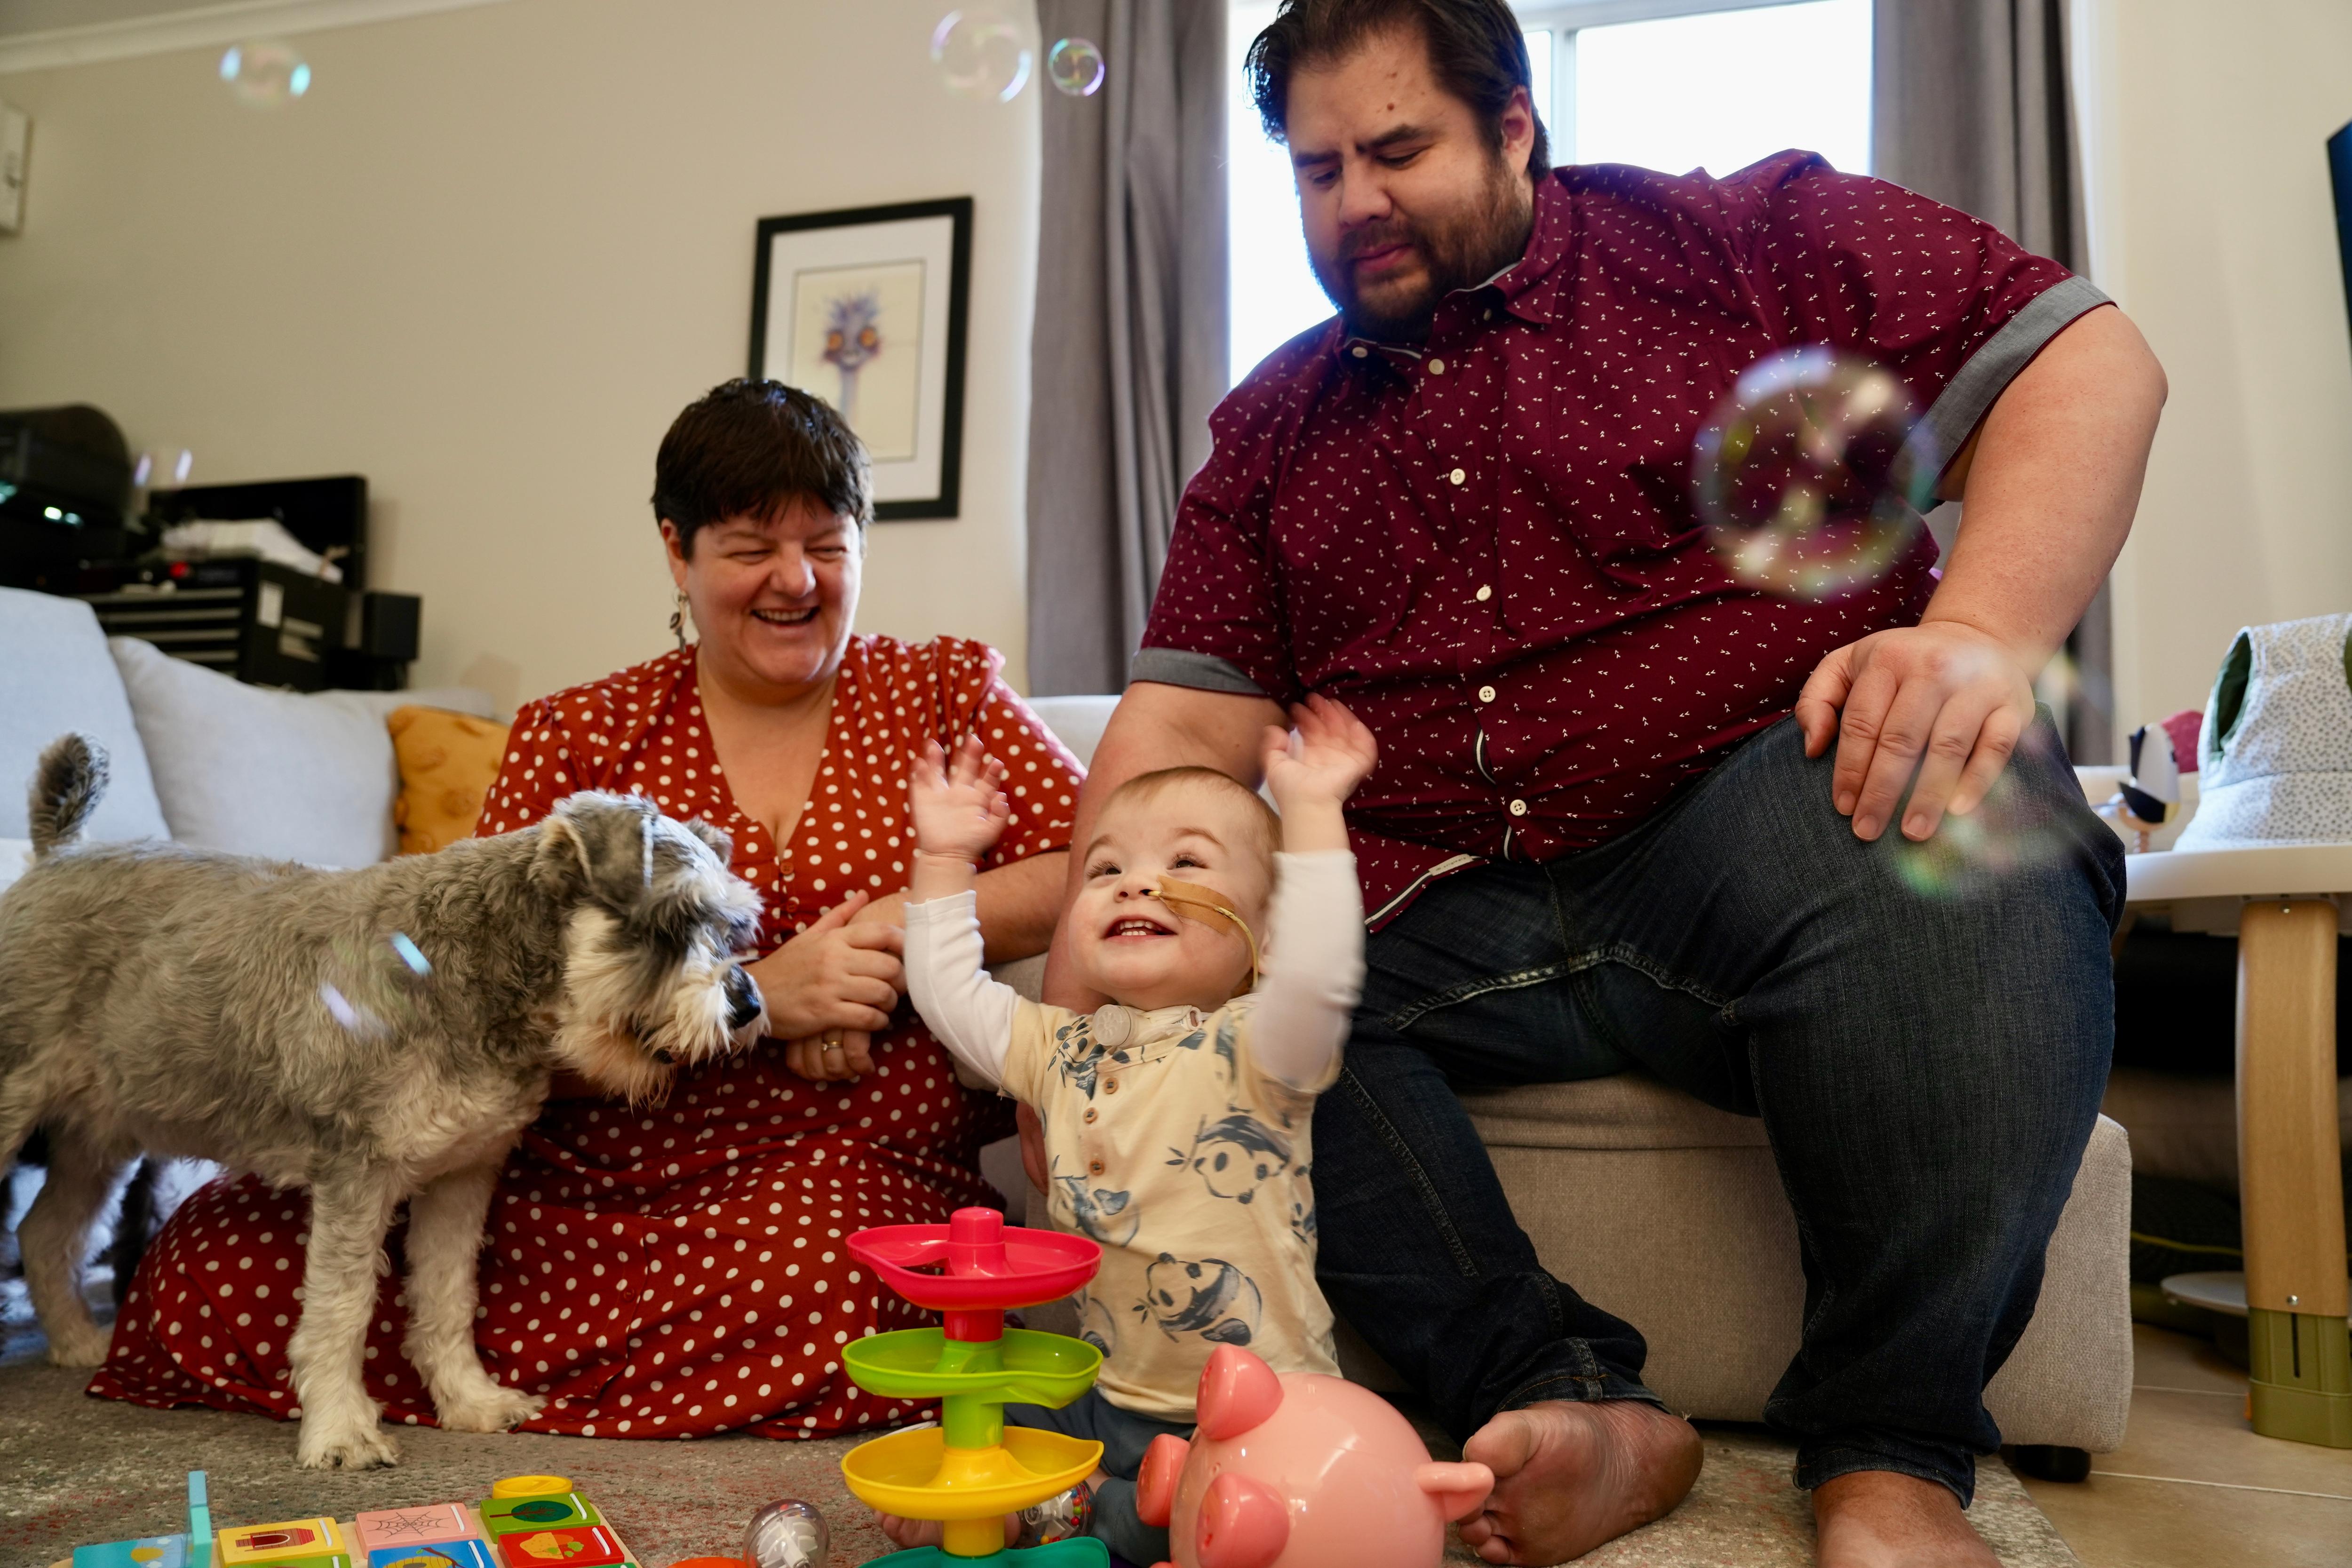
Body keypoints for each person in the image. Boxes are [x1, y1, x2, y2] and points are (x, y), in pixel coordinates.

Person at [1032, 3, 2169, 1566]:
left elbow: (2090, 356)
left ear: (1514, 126)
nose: (1352, 201)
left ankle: (1892, 1456)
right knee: (1189, 982)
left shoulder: (1749, 241)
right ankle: (1567, 1397)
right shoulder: (1272, 429)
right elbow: (1170, 742)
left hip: (1769, 839)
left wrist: (1976, 634)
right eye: (1313, 171)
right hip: (1422, 906)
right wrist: (1094, 928)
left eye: (1398, 148)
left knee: (1976, 812)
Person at [92, 379, 1085, 1444]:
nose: (796, 579)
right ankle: (547, 1381)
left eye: (828, 543)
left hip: (824, 1169)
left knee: (847, 1285)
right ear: (678, 550)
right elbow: (465, 994)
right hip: (582, 1173)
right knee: (205, 1261)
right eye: (752, 545)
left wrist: (900, 919)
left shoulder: (941, 693)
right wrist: (764, 998)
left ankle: (560, 1386)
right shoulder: (580, 737)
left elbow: (1097, 860)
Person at [876, 699, 1376, 1562]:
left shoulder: (1261, 1043)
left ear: (1262, 935)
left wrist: (1314, 812)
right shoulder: (1054, 1046)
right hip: (1106, 1395)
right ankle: (1086, 1496)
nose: (1136, 883)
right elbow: (948, 996)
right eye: (1105, 870)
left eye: (1186, 861)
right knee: (995, 1385)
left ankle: (1073, 1509)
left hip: (1258, 1412)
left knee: (1250, 1520)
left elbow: (1323, 967)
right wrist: (945, 856)